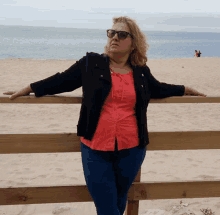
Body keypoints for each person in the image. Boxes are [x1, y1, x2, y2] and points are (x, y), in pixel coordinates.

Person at [3, 16, 207, 215]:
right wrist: (29, 88)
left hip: (132, 150)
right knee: (107, 208)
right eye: (111, 33)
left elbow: (159, 88)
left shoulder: (141, 72)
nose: (114, 38)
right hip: (95, 148)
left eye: (121, 34)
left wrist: (185, 89)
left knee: (118, 202)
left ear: (133, 43)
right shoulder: (91, 63)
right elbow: (61, 81)